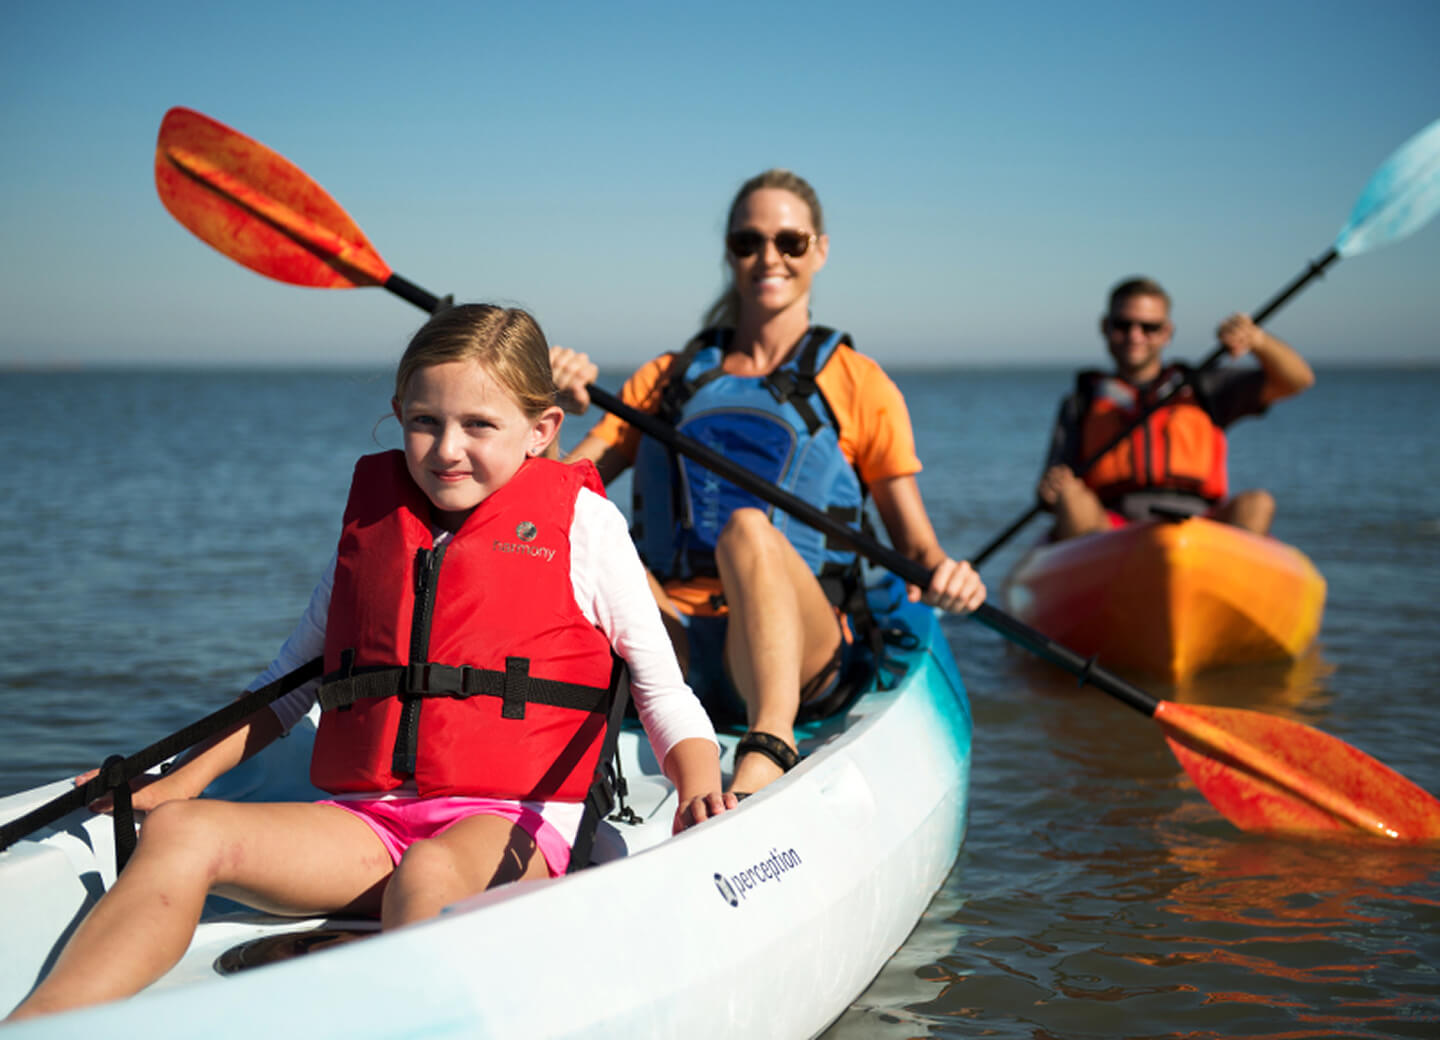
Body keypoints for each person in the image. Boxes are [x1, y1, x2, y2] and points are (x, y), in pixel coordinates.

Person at [7, 304, 730, 1023]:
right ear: (399, 414)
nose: (447, 449)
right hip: (371, 824)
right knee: (182, 833)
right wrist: (178, 785)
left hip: (508, 825)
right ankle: (43, 1023)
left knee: (430, 872)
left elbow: (662, 690)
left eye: (479, 425)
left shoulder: (585, 527)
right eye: (425, 421)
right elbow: (284, 689)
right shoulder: (377, 526)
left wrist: (698, 790)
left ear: (541, 431)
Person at [550, 169, 986, 799]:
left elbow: (919, 553)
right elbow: (557, 496)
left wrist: (953, 577)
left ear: (821, 250)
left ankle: (770, 743)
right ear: (729, 251)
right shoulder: (667, 379)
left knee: (748, 529)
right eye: (748, 242)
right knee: (599, 526)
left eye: (790, 242)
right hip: (671, 647)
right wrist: (549, 411)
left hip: (796, 656)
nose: (768, 258)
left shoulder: (859, 384)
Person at [1036, 276, 1315, 540]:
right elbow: (1048, 494)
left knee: (1258, 503)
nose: (1135, 336)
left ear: (1167, 332)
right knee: (1070, 496)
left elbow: (1297, 381)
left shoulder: (1204, 388)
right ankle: (1097, 578)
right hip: (1110, 529)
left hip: (1199, 525)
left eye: (1149, 327)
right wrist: (1052, 490)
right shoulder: (1082, 402)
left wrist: (1258, 342)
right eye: (1123, 325)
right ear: (1105, 327)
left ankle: (1228, 582)